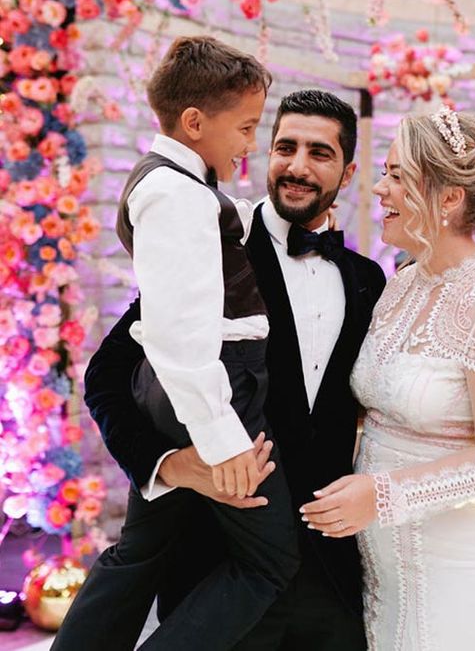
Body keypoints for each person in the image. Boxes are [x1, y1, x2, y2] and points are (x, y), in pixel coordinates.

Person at [68, 89, 386, 650]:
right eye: (285, 146)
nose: (297, 165)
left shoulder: (367, 280)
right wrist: (167, 465)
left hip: (330, 578)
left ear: (347, 169)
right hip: (221, 571)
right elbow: (108, 377)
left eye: (320, 153)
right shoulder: (218, 249)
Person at [53, 36, 301, 651]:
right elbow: (178, 336)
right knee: (272, 560)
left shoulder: (182, 187)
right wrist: (223, 444)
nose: (251, 144)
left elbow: (223, 230)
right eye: (245, 128)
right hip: (216, 387)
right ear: (195, 122)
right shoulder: (174, 194)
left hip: (193, 389)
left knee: (142, 550)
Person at [301, 106, 475, 650]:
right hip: (384, 569)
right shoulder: (401, 286)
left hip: (464, 569)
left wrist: (383, 497)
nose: (379, 189)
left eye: (396, 175)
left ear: (449, 197)